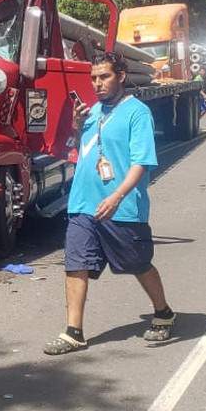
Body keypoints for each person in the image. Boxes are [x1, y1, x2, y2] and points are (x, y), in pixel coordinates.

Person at [44, 52, 174, 355]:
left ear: (121, 76)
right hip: (83, 204)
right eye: (94, 78)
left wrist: (117, 196)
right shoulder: (91, 112)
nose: (98, 84)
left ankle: (164, 312)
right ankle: (73, 332)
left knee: (137, 263)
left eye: (104, 77)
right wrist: (77, 128)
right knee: (75, 264)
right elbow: (84, 151)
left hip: (121, 206)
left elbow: (142, 162)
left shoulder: (137, 112)